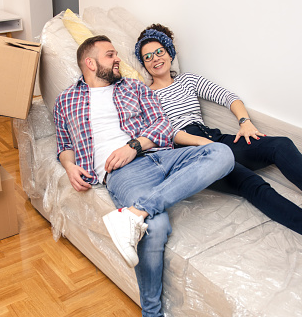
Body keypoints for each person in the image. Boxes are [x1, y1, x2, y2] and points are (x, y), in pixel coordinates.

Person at [53, 35, 235, 316]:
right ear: (90, 63)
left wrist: (134, 145)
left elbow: (162, 124)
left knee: (222, 154)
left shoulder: (135, 87)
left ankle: (134, 213)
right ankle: (152, 312)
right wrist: (69, 166)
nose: (118, 60)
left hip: (160, 155)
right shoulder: (66, 100)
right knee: (157, 226)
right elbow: (64, 145)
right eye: (110, 55)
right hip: (123, 174)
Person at [134, 23, 302, 242]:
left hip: (215, 138)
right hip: (191, 153)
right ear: (144, 65)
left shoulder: (188, 80)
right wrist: (205, 145)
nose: (155, 59)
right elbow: (166, 133)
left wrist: (245, 122)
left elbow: (228, 97)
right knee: (252, 184)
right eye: (148, 57)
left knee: (281, 145)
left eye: (159, 52)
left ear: (169, 53)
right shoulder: (145, 95)